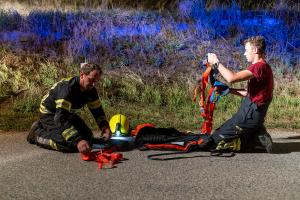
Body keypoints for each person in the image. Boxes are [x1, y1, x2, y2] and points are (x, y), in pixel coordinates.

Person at [206, 35, 274, 152]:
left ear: (255, 50)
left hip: (249, 116)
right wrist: (228, 90)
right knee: (217, 134)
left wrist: (216, 62)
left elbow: (232, 78)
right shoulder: (263, 67)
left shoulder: (259, 67)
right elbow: (249, 94)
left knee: (213, 140)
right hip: (251, 114)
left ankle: (255, 141)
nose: (244, 53)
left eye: (246, 50)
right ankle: (256, 133)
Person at [27, 63, 112, 153]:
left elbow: (97, 111)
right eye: (91, 80)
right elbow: (60, 118)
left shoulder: (91, 90)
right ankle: (36, 134)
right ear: (82, 75)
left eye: (96, 81)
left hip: (65, 113)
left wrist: (104, 127)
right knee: (69, 144)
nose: (93, 84)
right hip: (50, 114)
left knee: (88, 138)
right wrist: (77, 140)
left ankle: (53, 132)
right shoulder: (67, 89)